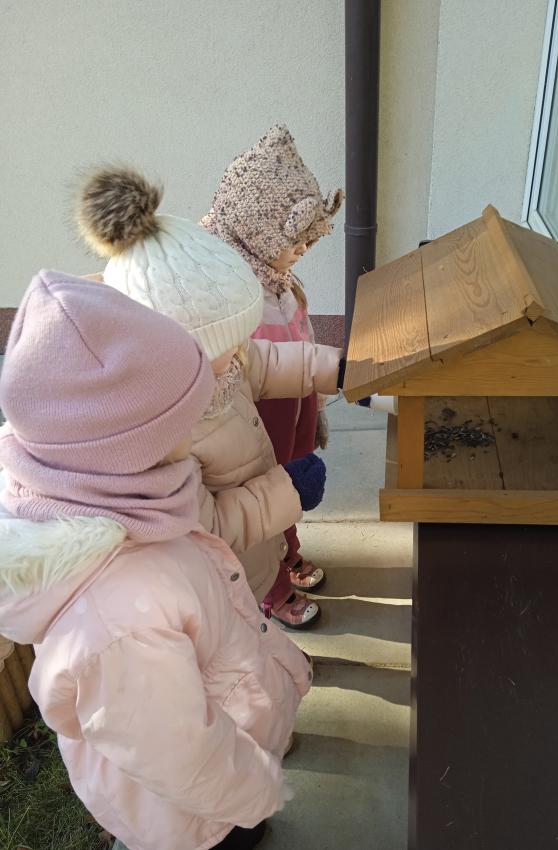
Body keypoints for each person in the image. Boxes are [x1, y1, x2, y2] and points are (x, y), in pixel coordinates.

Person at [0, 272, 311, 850]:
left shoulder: (124, 503)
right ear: (126, 448)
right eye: (181, 422)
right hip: (194, 815)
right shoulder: (118, 620)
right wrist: (255, 793)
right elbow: (180, 757)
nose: (193, 431)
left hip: (222, 754)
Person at [76, 167, 342, 626]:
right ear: (177, 349)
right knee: (246, 636)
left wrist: (335, 369)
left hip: (260, 535)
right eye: (228, 341)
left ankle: (279, 575)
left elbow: (265, 362)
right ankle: (274, 607)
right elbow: (209, 524)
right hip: (227, 579)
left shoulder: (219, 364)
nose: (240, 349)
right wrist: (287, 489)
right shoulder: (161, 442)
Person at [202, 124, 344, 619]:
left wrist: (317, 408)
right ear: (256, 233)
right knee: (266, 497)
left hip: (296, 398)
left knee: (293, 487)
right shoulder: (232, 294)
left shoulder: (280, 280)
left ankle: (290, 550)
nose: (303, 251)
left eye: (308, 243)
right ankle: (274, 589)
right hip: (258, 416)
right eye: (296, 242)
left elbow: (302, 342)